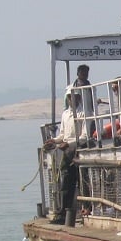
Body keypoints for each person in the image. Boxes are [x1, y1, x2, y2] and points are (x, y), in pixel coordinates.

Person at [43, 86, 86, 223]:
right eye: (69, 97)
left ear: (79, 98)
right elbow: (63, 135)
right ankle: (62, 214)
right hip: (67, 152)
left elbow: (84, 136)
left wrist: (70, 143)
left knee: (83, 182)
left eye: (74, 97)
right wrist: (53, 141)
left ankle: (85, 210)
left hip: (79, 151)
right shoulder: (65, 114)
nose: (72, 99)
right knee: (66, 183)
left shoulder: (84, 113)